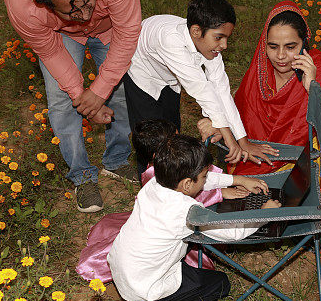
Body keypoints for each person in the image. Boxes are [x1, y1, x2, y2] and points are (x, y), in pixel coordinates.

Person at [201, 1, 321, 273]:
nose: (280, 56)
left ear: (305, 43)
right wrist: (215, 123)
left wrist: (313, 87)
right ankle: (274, 217)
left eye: (291, 47)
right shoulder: (259, 71)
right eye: (272, 46)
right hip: (263, 159)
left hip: (308, 163)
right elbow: (239, 116)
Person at [4, 0, 142, 213]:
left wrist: (100, 91)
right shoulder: (23, 6)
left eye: (87, 2)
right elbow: (51, 53)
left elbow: (128, 30)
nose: (83, 15)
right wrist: (84, 98)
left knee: (120, 90)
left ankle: (117, 160)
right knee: (61, 99)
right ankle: (81, 175)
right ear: (45, 3)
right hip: (59, 35)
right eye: (71, 10)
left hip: (110, 27)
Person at [107, 134, 280, 301]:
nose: (207, 179)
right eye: (204, 177)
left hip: (123, 270)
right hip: (143, 287)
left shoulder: (155, 184)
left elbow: (200, 178)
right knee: (220, 284)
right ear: (187, 184)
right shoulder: (186, 211)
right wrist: (264, 214)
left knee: (189, 272)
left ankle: (152, 300)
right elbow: (233, 233)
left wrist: (236, 180)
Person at [123, 0, 277, 179]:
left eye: (227, 38)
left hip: (170, 77)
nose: (225, 45)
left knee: (172, 134)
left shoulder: (207, 45)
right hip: (143, 74)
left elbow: (221, 91)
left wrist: (242, 141)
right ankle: (151, 186)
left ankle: (173, 181)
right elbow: (201, 89)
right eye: (219, 37)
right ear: (196, 32)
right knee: (151, 140)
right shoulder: (170, 41)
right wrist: (230, 140)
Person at [76, 120, 251, 283]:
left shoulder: (161, 170)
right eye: (175, 140)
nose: (180, 142)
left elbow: (195, 183)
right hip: (169, 242)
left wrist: (231, 183)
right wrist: (222, 194)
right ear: (158, 153)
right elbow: (193, 201)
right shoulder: (158, 179)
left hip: (156, 226)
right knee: (215, 281)